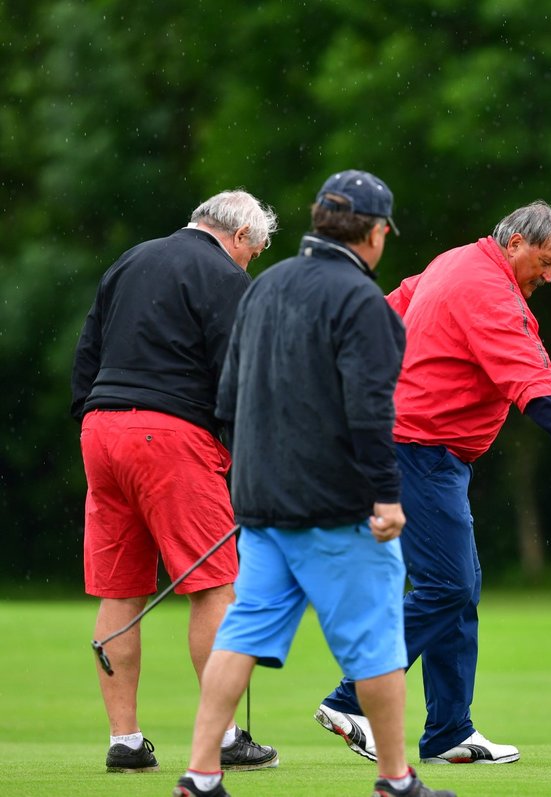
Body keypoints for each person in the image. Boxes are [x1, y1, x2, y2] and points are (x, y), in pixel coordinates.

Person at [173, 170, 455, 797]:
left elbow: (229, 399)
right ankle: (395, 778)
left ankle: (200, 773)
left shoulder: (263, 287)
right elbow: (370, 409)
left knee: (242, 633)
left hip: (261, 502)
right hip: (336, 508)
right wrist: (386, 495)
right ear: (376, 233)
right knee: (379, 643)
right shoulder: (361, 302)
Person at [314, 200, 551, 766]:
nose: (547, 276)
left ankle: (449, 730)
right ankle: (352, 699)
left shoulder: (455, 262)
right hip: (420, 451)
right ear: (514, 240)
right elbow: (528, 371)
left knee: (457, 590)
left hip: (419, 450)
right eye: (543, 262)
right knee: (447, 587)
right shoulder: (489, 290)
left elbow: (390, 311)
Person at [71, 190, 281, 774]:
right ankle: (224, 736)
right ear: (239, 237)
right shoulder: (226, 278)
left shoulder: (130, 259)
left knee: (121, 590)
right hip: (170, 436)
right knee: (215, 584)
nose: (251, 263)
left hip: (101, 429)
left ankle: (126, 741)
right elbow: (242, 376)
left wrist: (92, 418)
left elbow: (87, 353)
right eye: (255, 251)